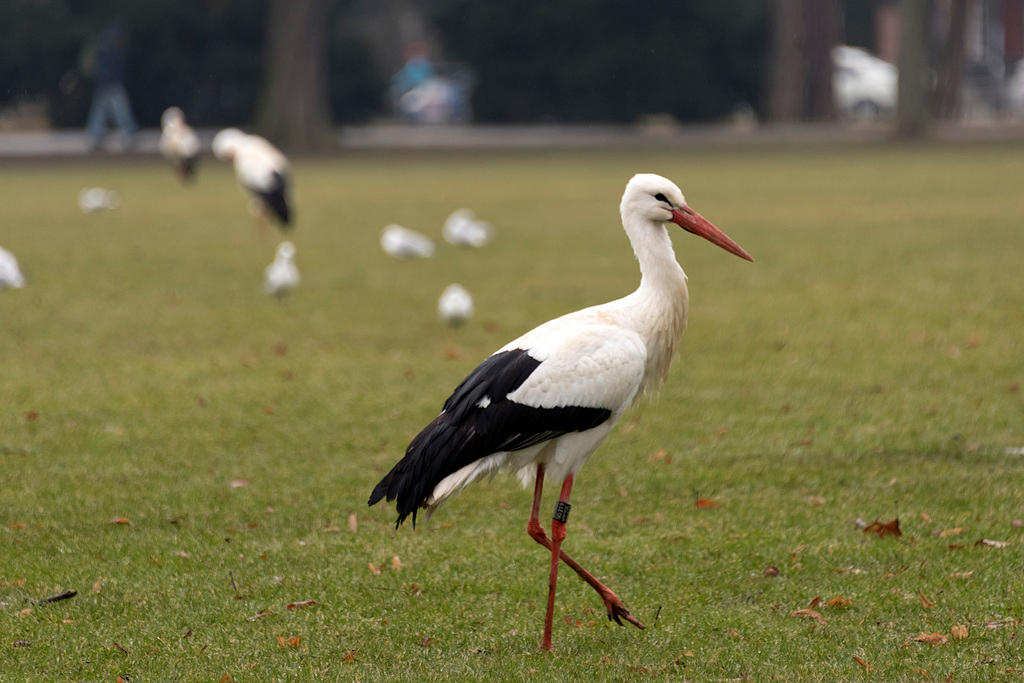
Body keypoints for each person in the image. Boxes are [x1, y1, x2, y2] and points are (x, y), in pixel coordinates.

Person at [84, 19, 137, 151]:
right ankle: (127, 136)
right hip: (110, 85)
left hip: (106, 85)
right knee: (118, 112)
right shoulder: (109, 49)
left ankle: (96, 138)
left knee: (101, 113)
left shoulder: (105, 49)